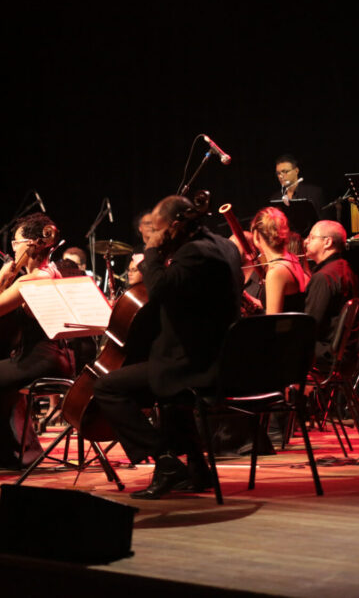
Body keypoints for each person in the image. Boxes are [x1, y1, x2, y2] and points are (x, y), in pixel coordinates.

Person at [91, 195, 243, 499]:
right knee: (171, 399)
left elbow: (160, 289)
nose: (154, 236)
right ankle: (200, 471)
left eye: (157, 229)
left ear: (174, 226)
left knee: (107, 388)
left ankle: (164, 459)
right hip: (215, 354)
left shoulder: (194, 254)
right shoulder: (222, 245)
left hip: (194, 364)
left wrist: (150, 253)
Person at [0, 213, 74, 470]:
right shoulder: (54, 272)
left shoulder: (31, 280)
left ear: (29, 245)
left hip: (37, 362)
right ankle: (18, 448)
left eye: (16, 243)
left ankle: (5, 451)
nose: (12, 249)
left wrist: (3, 276)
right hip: (59, 359)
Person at [303, 220, 359, 365]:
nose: (305, 241)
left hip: (328, 353)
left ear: (327, 242)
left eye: (311, 237)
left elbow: (310, 325)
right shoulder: (344, 268)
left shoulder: (324, 277)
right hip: (345, 351)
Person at [250, 207, 310, 314]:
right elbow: (288, 305)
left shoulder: (276, 272)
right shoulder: (292, 259)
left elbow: (273, 322)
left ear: (256, 236)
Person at [270, 154, 327, 230]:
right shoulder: (275, 198)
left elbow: (324, 222)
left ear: (296, 171)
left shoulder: (314, 193)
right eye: (278, 173)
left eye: (285, 171)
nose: (281, 176)